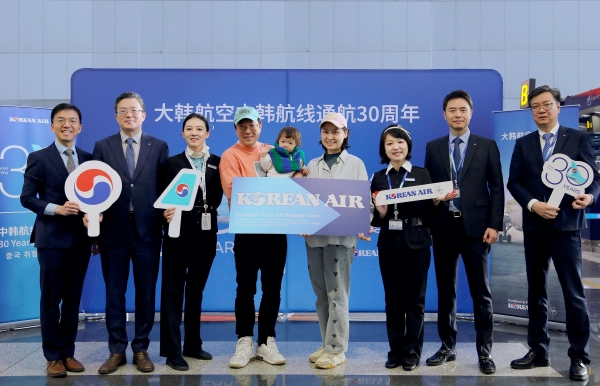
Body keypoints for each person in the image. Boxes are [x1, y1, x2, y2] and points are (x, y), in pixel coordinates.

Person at [507, 85, 600, 381]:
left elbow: (594, 179)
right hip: (535, 226)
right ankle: (538, 350)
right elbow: (515, 182)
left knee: (574, 293)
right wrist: (534, 205)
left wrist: (590, 197)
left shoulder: (578, 138)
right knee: (536, 292)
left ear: (558, 107)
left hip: (566, 227)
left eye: (547, 104)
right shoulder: (523, 144)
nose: (541, 110)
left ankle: (579, 357)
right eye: (535, 106)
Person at [87, 92, 169, 374]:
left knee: (146, 292)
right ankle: (116, 349)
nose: (129, 115)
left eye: (134, 110)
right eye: (123, 111)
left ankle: (141, 348)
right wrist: (95, 228)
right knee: (115, 292)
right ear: (116, 116)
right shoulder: (103, 146)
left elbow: (164, 188)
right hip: (113, 230)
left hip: (148, 230)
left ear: (144, 115)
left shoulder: (158, 146)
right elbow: (95, 189)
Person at [424, 90, 503, 375]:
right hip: (444, 228)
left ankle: (485, 351)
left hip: (477, 229)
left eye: (463, 110)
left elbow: (496, 188)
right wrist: (434, 209)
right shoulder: (433, 147)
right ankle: (447, 346)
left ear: (471, 113)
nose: (458, 114)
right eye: (452, 110)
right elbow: (430, 190)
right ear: (444, 115)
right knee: (446, 291)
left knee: (481, 293)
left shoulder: (487, 145)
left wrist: (494, 225)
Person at [20, 103, 93, 378]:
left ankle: (68, 353)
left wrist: (93, 224)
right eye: (61, 120)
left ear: (79, 127)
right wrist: (57, 208)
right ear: (52, 126)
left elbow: (95, 200)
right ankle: (53, 357)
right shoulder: (39, 157)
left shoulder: (88, 160)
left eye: (72, 120)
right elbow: (27, 197)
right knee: (51, 299)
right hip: (51, 239)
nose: (67, 125)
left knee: (73, 299)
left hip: (81, 240)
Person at [219, 106, 287, 368]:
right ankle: (245, 340)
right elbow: (236, 191)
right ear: (236, 129)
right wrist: (270, 189)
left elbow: (289, 180)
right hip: (247, 230)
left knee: (272, 289)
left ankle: (267, 340)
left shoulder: (273, 151)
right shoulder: (230, 155)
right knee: (245, 288)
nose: (247, 130)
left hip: (275, 230)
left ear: (260, 125)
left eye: (252, 125)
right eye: (241, 126)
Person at [303, 112, 371, 370]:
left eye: (336, 132)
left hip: (342, 239)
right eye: (325, 132)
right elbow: (305, 202)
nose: (330, 137)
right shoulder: (312, 164)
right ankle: (326, 341)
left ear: (346, 134)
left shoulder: (355, 164)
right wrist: (302, 222)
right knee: (321, 294)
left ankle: (337, 349)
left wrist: (363, 223)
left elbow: (363, 200)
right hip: (315, 239)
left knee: (337, 294)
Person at [159, 113, 223, 371]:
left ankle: (193, 345)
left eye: (199, 129)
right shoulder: (171, 163)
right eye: (189, 129)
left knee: (196, 291)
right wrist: (164, 213)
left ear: (208, 133)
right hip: (177, 232)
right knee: (173, 292)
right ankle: (173, 351)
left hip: (207, 232)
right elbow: (159, 198)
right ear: (183, 134)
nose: (194, 133)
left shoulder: (219, 162)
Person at [370, 125, 434, 371]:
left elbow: (432, 213)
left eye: (400, 142)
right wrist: (381, 213)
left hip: (417, 242)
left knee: (415, 302)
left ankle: (412, 352)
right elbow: (376, 219)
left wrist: (438, 200)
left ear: (408, 145)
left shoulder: (422, 174)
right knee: (393, 301)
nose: (395, 147)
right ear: (383, 149)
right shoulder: (377, 177)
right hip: (389, 244)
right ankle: (395, 350)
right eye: (389, 143)